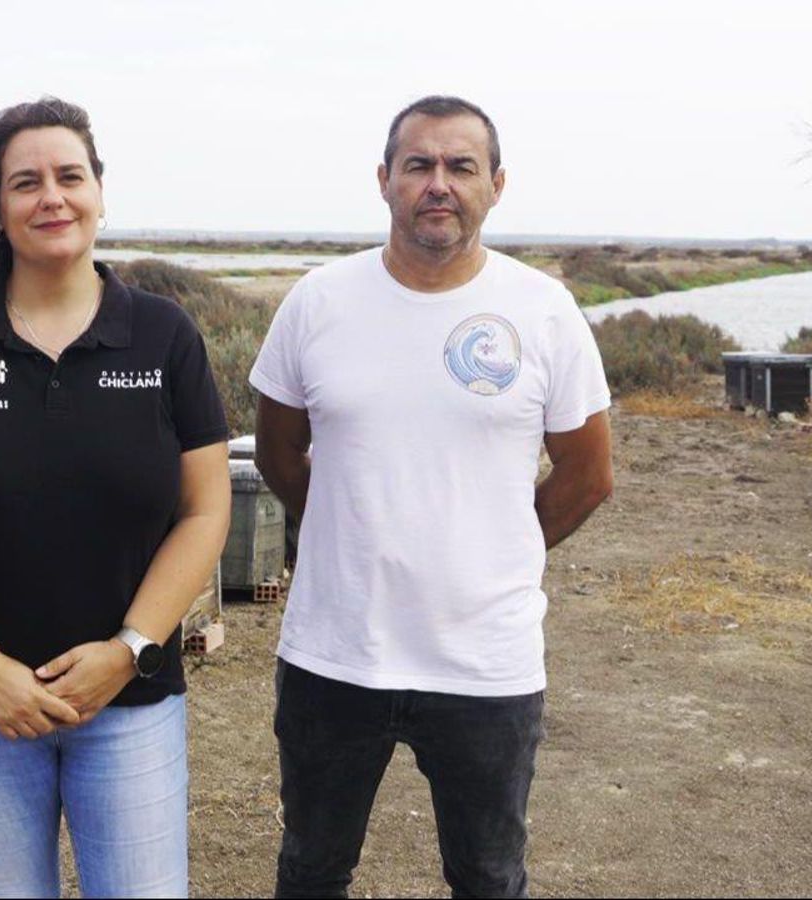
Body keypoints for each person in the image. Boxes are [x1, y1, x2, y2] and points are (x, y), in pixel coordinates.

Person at [0, 96, 231, 899]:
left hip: (129, 702)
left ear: (99, 190)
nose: (51, 197)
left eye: (70, 175)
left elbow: (205, 511)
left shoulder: (165, 337)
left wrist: (129, 650)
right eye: (25, 182)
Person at [249, 95, 615, 899]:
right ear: (385, 180)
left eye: (461, 166)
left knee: (487, 877)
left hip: (485, 663)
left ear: (497, 184)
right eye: (418, 165)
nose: (438, 184)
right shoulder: (318, 301)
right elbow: (279, 453)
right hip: (334, 653)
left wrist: (495, 550)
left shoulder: (545, 311)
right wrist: (351, 527)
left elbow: (588, 477)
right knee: (311, 870)